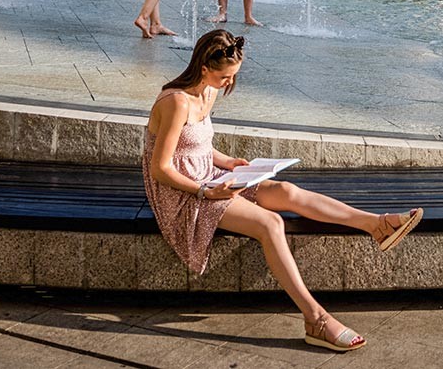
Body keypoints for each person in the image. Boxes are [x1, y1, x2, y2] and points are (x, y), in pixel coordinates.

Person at [143, 31, 422, 353]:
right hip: (183, 192)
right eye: (224, 77)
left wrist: (228, 161)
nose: (228, 83)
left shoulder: (208, 90)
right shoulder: (175, 101)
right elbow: (160, 168)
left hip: (210, 176)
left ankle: (377, 225)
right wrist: (206, 193)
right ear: (203, 67)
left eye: (233, 76)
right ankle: (315, 319)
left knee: (285, 190)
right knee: (271, 223)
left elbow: (195, 145)